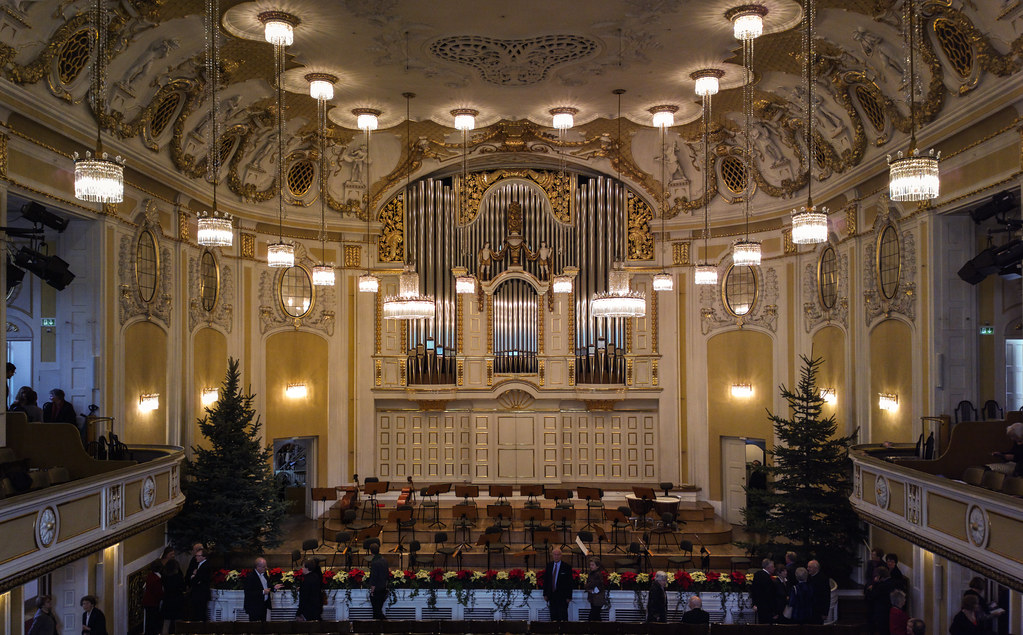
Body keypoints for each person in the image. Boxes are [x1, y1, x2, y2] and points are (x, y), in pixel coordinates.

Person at [543, 547, 573, 621]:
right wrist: (545, 594)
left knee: (563, 616)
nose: (556, 556)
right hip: (552, 595)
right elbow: (546, 581)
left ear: (561, 555)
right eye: (555, 555)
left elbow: (569, 583)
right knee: (553, 616)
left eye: (558, 555)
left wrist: (569, 596)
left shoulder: (566, 567)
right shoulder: (549, 566)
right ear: (552, 555)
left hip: (562, 596)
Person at [243, 557, 275, 622]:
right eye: (263, 567)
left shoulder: (265, 574)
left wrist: (274, 587)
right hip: (254, 607)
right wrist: (263, 592)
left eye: (265, 566)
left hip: (263, 605)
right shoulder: (250, 576)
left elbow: (267, 584)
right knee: (254, 628)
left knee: (263, 627)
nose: (266, 568)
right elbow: (248, 593)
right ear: (258, 567)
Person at [868, 567, 897, 635]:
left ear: (880, 576)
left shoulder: (881, 586)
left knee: (883, 630)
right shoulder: (892, 582)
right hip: (889, 609)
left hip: (882, 612)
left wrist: (871, 587)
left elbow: (872, 596)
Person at [161, 558, 185, 634]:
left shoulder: (164, 576)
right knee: (178, 623)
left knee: (166, 622)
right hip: (177, 600)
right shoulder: (178, 576)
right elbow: (183, 587)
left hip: (167, 600)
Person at [186, 547, 210, 621]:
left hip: (201, 594)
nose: (196, 557)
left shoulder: (205, 566)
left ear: (204, 557)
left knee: (200, 614)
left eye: (198, 556)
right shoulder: (199, 565)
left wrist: (193, 576)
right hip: (198, 593)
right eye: (196, 555)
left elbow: (196, 581)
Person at [368, 542, 389, 619]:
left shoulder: (374, 562)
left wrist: (372, 591)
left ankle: (382, 627)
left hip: (377, 590)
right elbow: (387, 575)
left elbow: (374, 578)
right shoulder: (384, 560)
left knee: (376, 612)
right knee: (378, 611)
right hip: (383, 588)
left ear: (371, 551)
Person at [752, 558, 777, 624]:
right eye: (773, 566)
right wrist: (773, 611)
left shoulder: (757, 574)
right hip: (767, 608)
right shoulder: (768, 578)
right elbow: (770, 595)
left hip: (759, 606)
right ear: (769, 567)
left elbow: (754, 590)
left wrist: (755, 603)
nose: (774, 568)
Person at [142, 560, 163, 635]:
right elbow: (158, 592)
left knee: (149, 622)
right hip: (153, 603)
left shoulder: (150, 575)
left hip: (147, 601)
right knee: (153, 622)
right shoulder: (157, 579)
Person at [808, 559, 831, 624]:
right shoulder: (808, 577)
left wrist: (825, 613)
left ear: (816, 568)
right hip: (809, 611)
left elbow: (826, 597)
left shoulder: (823, 579)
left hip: (818, 611)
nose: (808, 569)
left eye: (810, 567)